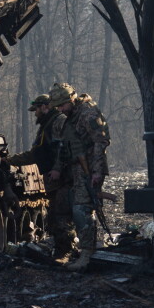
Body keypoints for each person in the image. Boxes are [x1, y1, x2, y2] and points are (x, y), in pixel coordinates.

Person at [48, 82, 110, 272]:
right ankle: (83, 249)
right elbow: (64, 146)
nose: (60, 110)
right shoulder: (70, 117)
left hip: (89, 169)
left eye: (62, 105)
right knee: (73, 208)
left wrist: (97, 172)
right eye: (57, 107)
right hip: (75, 170)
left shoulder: (88, 113)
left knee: (81, 209)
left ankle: (86, 253)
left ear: (72, 100)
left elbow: (101, 141)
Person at [4, 94, 74, 259]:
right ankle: (62, 252)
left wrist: (10, 161)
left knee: (60, 217)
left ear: (45, 107)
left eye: (36, 109)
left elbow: (61, 150)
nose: (35, 113)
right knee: (56, 216)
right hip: (55, 178)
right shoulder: (48, 124)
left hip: (60, 179)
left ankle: (65, 253)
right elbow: (39, 153)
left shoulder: (57, 122)